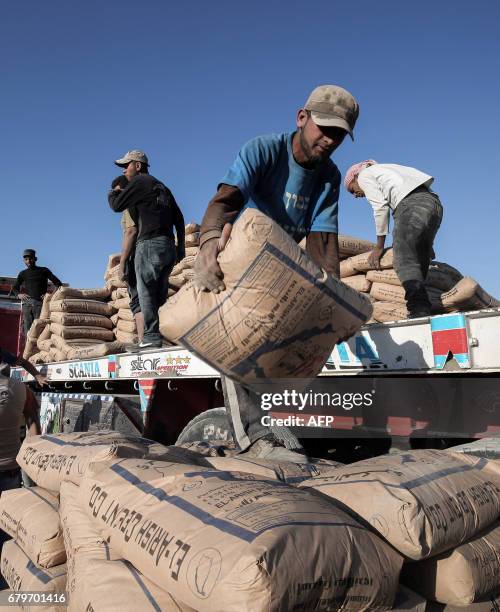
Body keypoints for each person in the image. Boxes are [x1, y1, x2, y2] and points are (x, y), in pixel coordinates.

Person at [194, 84, 359, 461]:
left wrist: (334, 305)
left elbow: (322, 244)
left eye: (339, 134)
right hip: (241, 255)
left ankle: (273, 422)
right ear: (302, 118)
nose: (330, 140)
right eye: (325, 128)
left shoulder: (329, 176)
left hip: (283, 266)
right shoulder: (264, 150)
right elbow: (225, 201)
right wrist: (206, 246)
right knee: (239, 339)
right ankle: (253, 437)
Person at [344, 161, 443, 318]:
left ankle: (418, 307)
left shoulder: (364, 175)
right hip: (433, 203)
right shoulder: (385, 170)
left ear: (355, 176)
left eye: (352, 189)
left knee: (403, 258)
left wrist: (379, 247)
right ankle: (423, 304)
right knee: (418, 259)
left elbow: (380, 208)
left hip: (411, 205)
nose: (355, 195)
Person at [108, 150, 186, 349]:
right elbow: (179, 217)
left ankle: (150, 338)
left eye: (127, 165)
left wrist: (114, 192)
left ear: (138, 166)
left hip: (149, 244)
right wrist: (181, 247)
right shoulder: (162, 187)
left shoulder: (139, 182)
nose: (125, 170)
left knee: (145, 293)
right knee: (159, 296)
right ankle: (159, 337)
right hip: (167, 244)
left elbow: (116, 206)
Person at [0, 372, 41, 588]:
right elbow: (33, 420)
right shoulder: (20, 389)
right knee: (7, 539)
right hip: (10, 476)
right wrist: (32, 461)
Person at [111, 175, 144, 342]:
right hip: (148, 251)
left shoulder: (129, 205)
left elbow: (131, 231)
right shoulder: (145, 201)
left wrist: (123, 262)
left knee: (138, 299)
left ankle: (144, 338)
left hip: (137, 255)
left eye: (117, 192)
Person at [11, 249, 63, 337]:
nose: (28, 261)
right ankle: (28, 350)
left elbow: (58, 284)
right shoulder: (23, 273)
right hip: (27, 305)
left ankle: (38, 350)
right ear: (24, 261)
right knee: (27, 331)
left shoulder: (43, 271)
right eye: (26, 259)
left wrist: (50, 296)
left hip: (40, 305)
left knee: (39, 330)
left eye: (30, 259)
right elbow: (15, 288)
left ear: (35, 259)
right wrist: (19, 294)